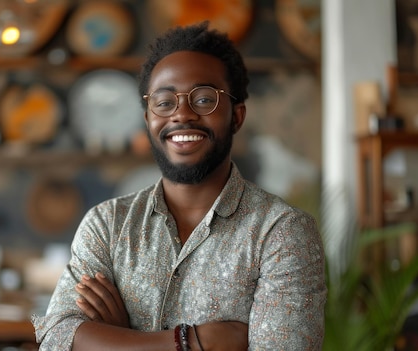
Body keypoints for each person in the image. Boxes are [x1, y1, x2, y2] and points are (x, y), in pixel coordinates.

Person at [32, 21, 326, 351]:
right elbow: (56, 336)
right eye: (164, 101)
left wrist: (119, 338)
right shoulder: (107, 224)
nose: (182, 114)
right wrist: (191, 342)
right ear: (148, 119)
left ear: (237, 116)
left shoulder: (282, 232)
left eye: (203, 100)